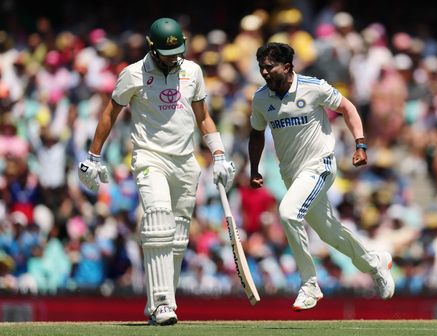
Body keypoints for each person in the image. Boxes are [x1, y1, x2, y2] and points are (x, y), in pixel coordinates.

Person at [78, 17, 235, 325]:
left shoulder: (193, 72)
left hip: (186, 160)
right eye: (168, 53)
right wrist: (93, 156)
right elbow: (111, 112)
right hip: (150, 157)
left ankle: (160, 304)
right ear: (152, 48)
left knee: (177, 238)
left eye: (179, 52)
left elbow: (203, 117)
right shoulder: (133, 74)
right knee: (158, 220)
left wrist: (219, 154)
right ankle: (163, 303)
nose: (175, 58)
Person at [248, 42, 394, 311]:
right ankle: (375, 263)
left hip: (320, 166)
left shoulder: (313, 87)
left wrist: (360, 144)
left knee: (289, 213)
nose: (265, 73)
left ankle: (309, 283)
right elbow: (256, 133)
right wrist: (254, 169)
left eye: (269, 67)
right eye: (261, 68)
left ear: (287, 67)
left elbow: (347, 108)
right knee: (330, 233)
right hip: (291, 174)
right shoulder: (260, 99)